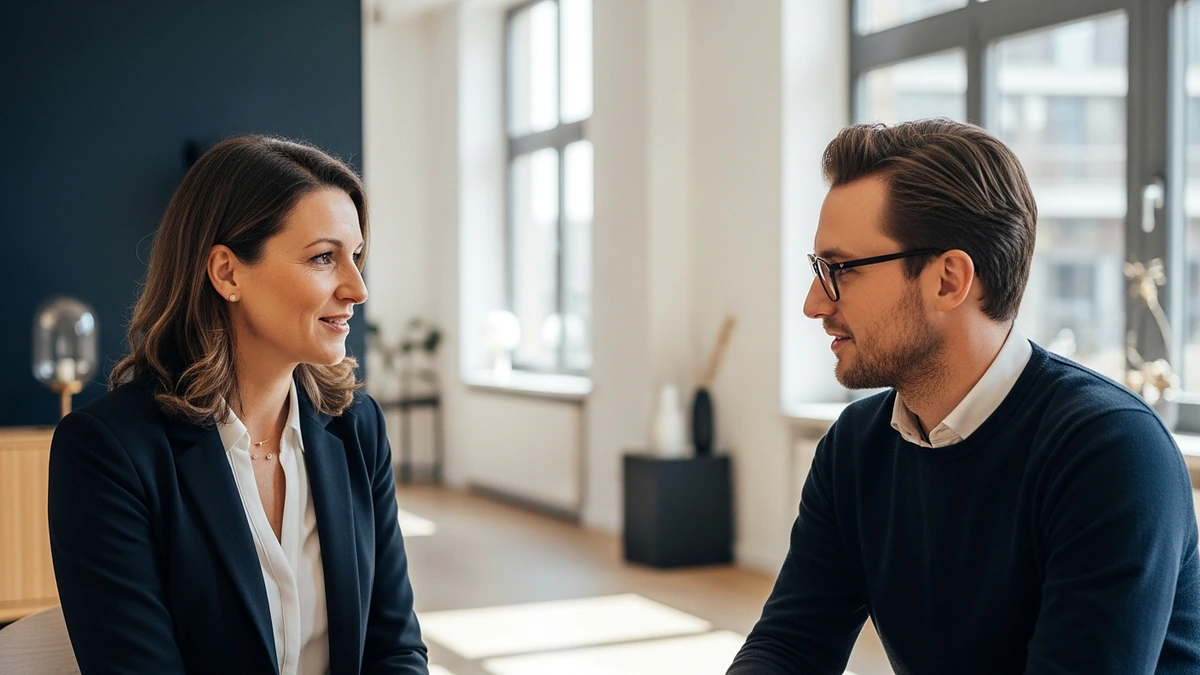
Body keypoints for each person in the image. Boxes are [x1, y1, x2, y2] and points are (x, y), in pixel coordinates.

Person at [728, 119, 1200, 674]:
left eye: (839, 270)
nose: (814, 303)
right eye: (818, 270)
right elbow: (790, 646)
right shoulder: (854, 449)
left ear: (949, 280)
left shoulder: (1111, 452)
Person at [48, 136, 429, 674]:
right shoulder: (107, 452)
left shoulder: (357, 429)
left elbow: (395, 649)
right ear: (227, 272)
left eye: (357, 257)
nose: (357, 288)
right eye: (324, 257)